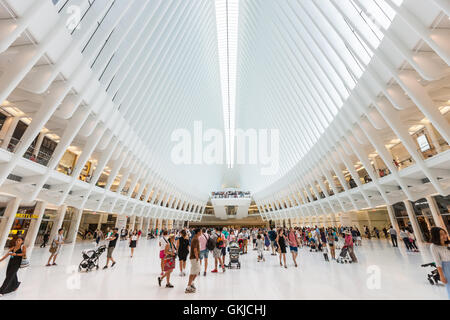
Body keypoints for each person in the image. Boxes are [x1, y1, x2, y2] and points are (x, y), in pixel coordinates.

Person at [429, 227, 450, 298]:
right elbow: (437, 262)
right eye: (441, 234)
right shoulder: (434, 246)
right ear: (436, 236)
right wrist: (441, 276)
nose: (445, 236)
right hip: (447, 268)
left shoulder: (448, 243)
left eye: (445, 233)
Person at [186, 229, 201, 293]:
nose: (201, 232)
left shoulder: (195, 238)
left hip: (194, 257)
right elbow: (195, 249)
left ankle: (191, 283)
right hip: (194, 257)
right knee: (193, 271)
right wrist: (197, 256)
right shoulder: (195, 239)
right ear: (198, 232)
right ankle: (188, 286)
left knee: (196, 270)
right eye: (200, 232)